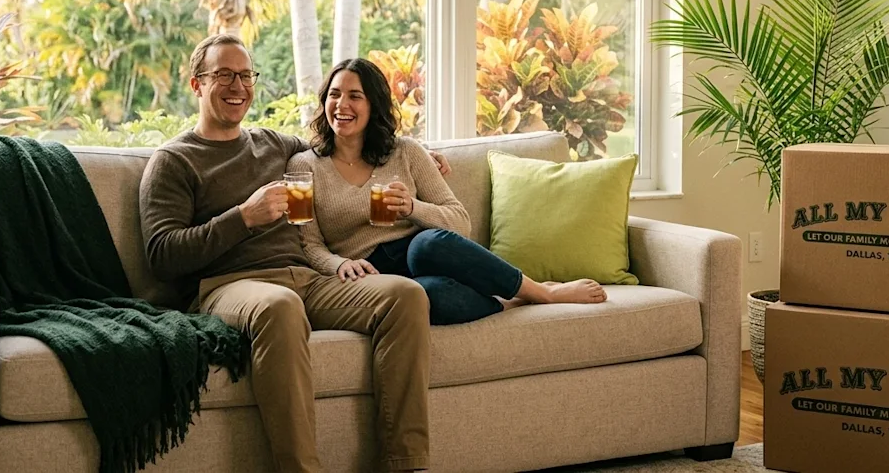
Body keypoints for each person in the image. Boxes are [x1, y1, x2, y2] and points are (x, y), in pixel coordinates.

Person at [139, 35, 441, 473]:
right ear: (196, 84)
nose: (237, 86)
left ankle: (405, 463)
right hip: (230, 287)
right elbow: (162, 256)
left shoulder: (275, 145)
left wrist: (409, 155)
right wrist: (243, 216)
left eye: (245, 75)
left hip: (307, 278)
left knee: (405, 295)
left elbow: (340, 143)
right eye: (223, 74)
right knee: (279, 306)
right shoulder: (174, 161)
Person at [288, 58, 607, 327]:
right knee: (427, 297)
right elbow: (308, 242)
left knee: (424, 245)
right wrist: (338, 264)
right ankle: (508, 302)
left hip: (422, 253)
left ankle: (543, 292)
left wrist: (412, 207)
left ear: (374, 105)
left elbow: (459, 222)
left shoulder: (407, 152)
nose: (341, 105)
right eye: (334, 95)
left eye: (355, 96)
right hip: (371, 274)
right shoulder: (301, 167)